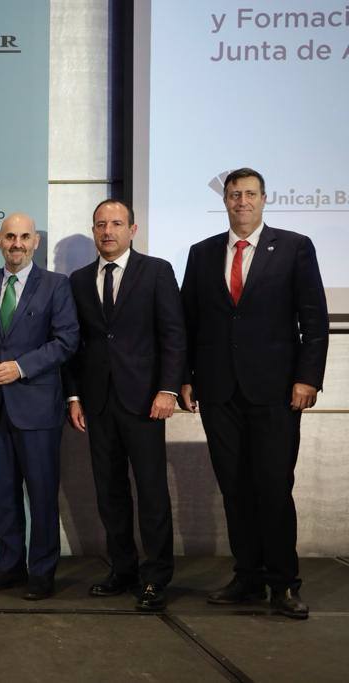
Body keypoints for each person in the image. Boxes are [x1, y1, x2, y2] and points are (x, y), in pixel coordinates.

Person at [180, 168, 328, 620]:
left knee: (273, 486)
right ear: (224, 201)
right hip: (219, 391)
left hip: (277, 392)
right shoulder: (202, 253)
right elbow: (189, 323)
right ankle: (247, 576)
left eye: (249, 194)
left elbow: (315, 321)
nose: (241, 201)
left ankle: (283, 584)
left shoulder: (295, 247)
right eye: (233, 194)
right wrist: (186, 376)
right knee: (235, 488)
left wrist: (308, 379)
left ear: (264, 199)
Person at [64, 199, 185, 612]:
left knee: (151, 491)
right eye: (100, 224)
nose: (108, 231)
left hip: (146, 401)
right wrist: (75, 395)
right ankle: (122, 569)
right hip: (98, 403)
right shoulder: (79, 280)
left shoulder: (157, 272)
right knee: (109, 492)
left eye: (116, 224)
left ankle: (156, 577)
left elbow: (173, 334)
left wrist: (168, 389)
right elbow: (75, 346)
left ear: (132, 229)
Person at [0, 213, 79, 600]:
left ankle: (43, 571)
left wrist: (20, 367)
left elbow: (66, 341)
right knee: (3, 494)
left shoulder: (56, 286)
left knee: (41, 493)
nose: (16, 243)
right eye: (9, 237)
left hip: (37, 408)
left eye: (24, 237)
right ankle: (10, 566)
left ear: (36, 242)